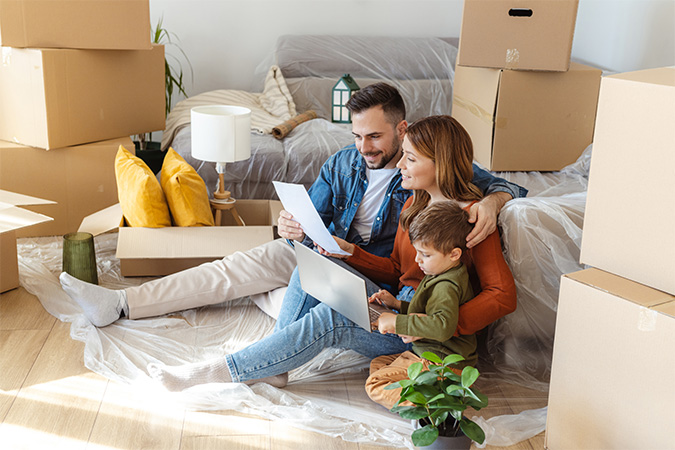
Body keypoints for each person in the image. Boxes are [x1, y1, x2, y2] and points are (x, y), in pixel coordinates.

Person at [60, 83, 526, 328]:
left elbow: (505, 185)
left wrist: (495, 201)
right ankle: (120, 303)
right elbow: (313, 215)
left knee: (263, 284)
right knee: (239, 267)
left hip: (371, 272)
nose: (364, 146)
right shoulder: (344, 161)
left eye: (375, 136)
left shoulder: (424, 165)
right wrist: (292, 224)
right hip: (331, 254)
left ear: (403, 130)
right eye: (357, 135)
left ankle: (300, 318)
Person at [147, 115, 517, 391]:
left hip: (424, 328)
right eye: (402, 156)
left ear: (441, 163)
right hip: (401, 305)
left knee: (330, 318)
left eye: (410, 160)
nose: (400, 166)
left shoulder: (471, 218)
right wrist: (349, 252)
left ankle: (222, 371)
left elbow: (502, 296)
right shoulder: (412, 206)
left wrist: (431, 325)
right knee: (313, 263)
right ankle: (273, 361)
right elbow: (396, 272)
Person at [364, 200, 477, 410]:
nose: (418, 260)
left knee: (374, 384)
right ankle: (426, 389)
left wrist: (398, 323)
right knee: (378, 364)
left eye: (425, 255)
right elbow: (427, 311)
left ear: (454, 254)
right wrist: (397, 304)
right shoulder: (441, 270)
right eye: (417, 252)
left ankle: (432, 407)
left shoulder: (446, 286)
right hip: (427, 355)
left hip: (441, 363)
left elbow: (443, 326)